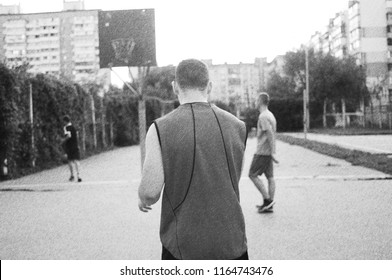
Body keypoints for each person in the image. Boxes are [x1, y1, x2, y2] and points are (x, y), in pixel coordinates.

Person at [138, 59, 248, 260]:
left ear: (174, 87)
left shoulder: (159, 128)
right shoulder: (238, 126)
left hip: (182, 245)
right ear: (209, 86)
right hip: (232, 243)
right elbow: (232, 177)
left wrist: (142, 197)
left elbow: (150, 192)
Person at [248, 92, 278, 213]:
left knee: (252, 174)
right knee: (270, 177)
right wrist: (272, 151)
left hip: (262, 152)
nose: (255, 103)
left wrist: (273, 152)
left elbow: (269, 133)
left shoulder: (263, 116)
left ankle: (267, 200)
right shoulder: (270, 115)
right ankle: (269, 204)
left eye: (256, 100)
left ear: (260, 102)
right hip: (268, 152)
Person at [62, 115, 82, 182]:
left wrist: (63, 140)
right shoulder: (74, 127)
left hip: (69, 146)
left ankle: (72, 175)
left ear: (65, 121)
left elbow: (68, 136)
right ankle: (79, 175)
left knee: (70, 161)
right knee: (76, 161)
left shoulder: (66, 128)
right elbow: (77, 136)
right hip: (75, 145)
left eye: (64, 121)